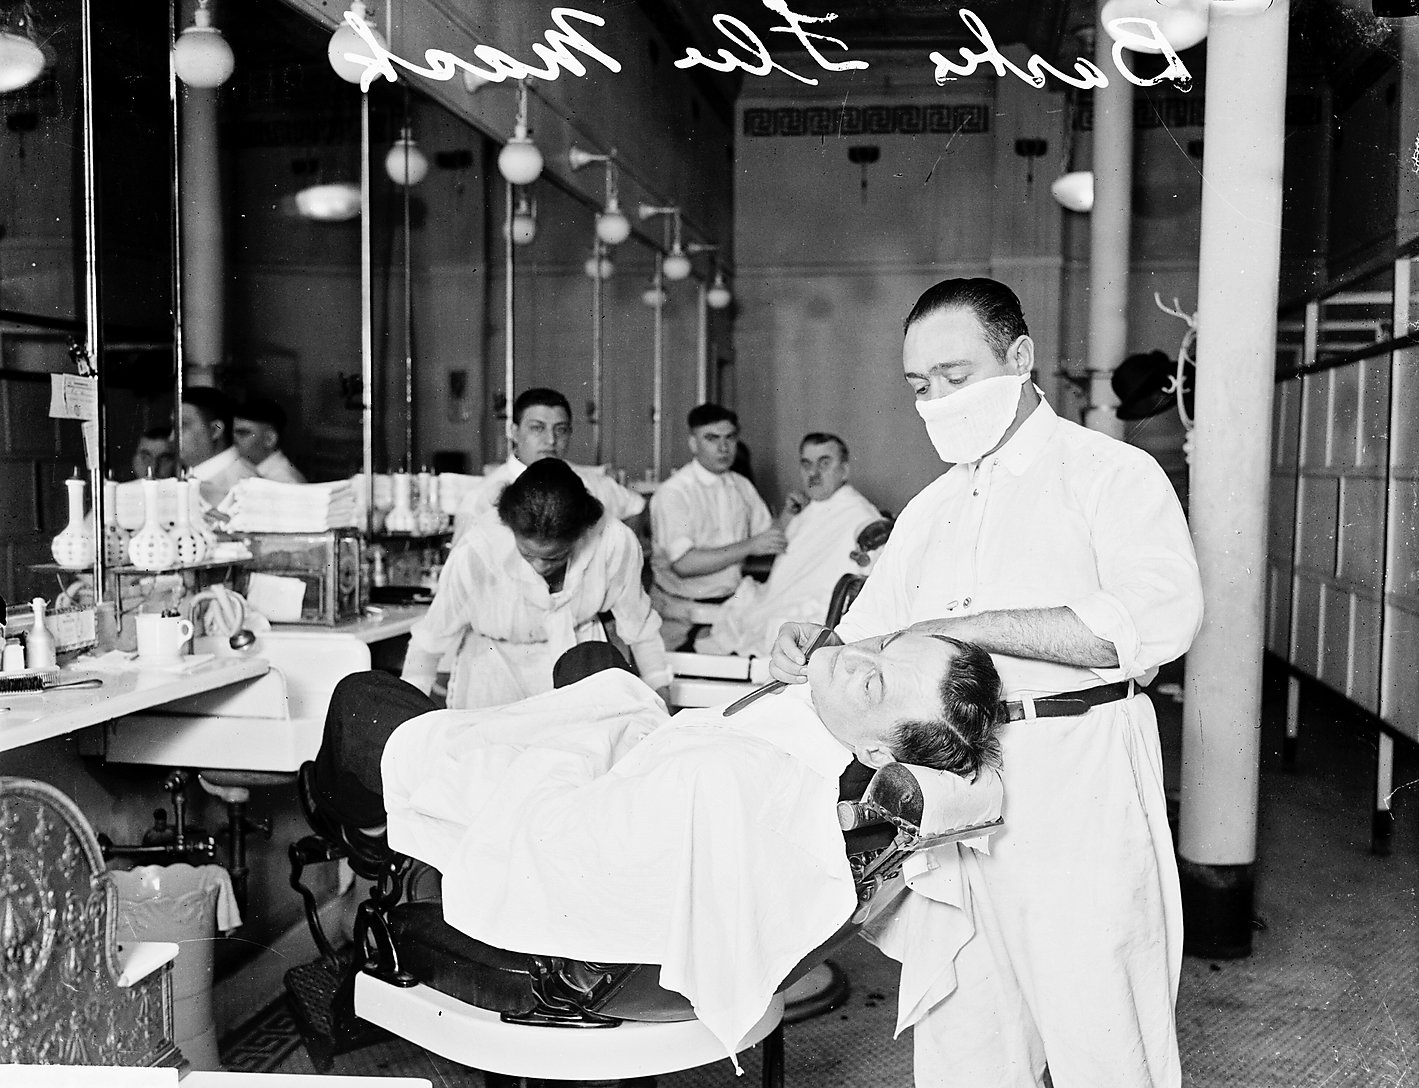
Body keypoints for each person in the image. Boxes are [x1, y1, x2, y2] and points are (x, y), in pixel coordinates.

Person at [769, 278, 1204, 1088]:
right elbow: (874, 636)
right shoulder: (931, 510)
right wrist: (815, 643)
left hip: (1077, 773)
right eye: (918, 386)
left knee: (1099, 1028)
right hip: (952, 792)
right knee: (965, 1030)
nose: (936, 400)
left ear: (1020, 357)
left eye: (955, 376)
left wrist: (968, 627)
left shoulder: (1109, 474)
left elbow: (1158, 620)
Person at [309, 631, 1003, 1058]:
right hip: (634, 778)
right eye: (880, 645)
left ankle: (366, 836)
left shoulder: (734, 780)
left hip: (571, 825)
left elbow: (561, 842)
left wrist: (551, 752)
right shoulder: (822, 754)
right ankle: (371, 816)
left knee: (363, 699)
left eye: (874, 677)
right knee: (589, 670)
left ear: (877, 747)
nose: (854, 655)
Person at [402, 457, 671, 709]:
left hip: (579, 672)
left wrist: (662, 701)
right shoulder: (477, 552)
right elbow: (428, 643)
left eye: (555, 557)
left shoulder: (613, 542)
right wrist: (408, 722)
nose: (540, 566)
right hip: (493, 677)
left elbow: (640, 629)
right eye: (528, 554)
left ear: (580, 534)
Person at [696, 432, 885, 656]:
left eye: (824, 463)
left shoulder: (861, 515)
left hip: (818, 614)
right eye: (806, 464)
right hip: (776, 600)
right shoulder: (807, 508)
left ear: (844, 470)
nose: (813, 473)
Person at [649, 403, 788, 650]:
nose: (723, 448)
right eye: (712, 438)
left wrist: (790, 513)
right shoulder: (676, 493)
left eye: (730, 438)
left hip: (730, 606)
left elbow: (767, 540)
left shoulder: (741, 486)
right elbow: (684, 564)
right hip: (681, 616)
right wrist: (750, 546)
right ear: (693, 443)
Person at [452, 387, 647, 542]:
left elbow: (636, 506)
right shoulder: (482, 498)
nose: (551, 440)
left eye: (560, 430)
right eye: (537, 428)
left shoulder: (591, 482)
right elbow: (462, 574)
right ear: (514, 432)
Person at [177, 386, 258, 507]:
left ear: (216, 430)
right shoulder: (196, 478)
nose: (172, 437)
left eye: (183, 425)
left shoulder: (242, 487)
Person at [232, 397, 307, 483]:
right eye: (232, 433)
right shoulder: (244, 467)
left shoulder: (286, 482)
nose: (234, 439)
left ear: (269, 439)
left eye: (243, 433)